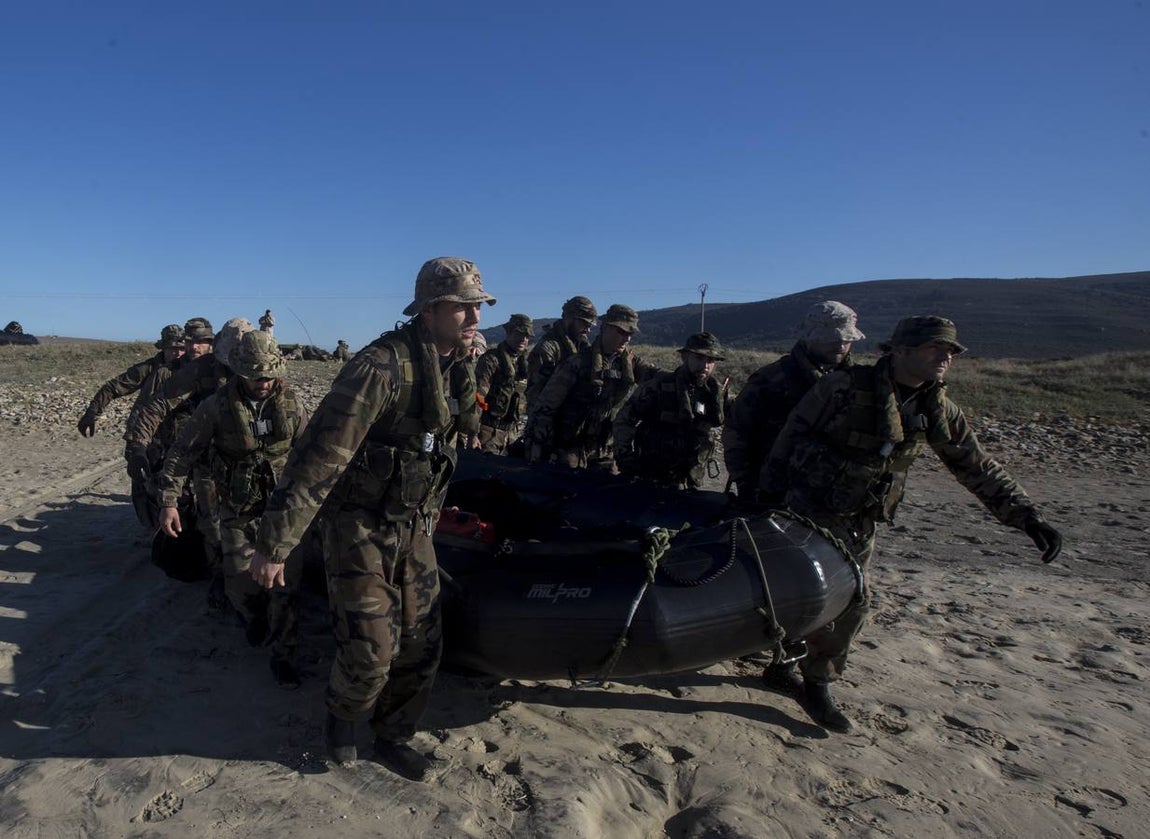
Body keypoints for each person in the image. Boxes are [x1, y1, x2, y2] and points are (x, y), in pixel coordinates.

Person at [248, 256, 495, 778]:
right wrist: (276, 545)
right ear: (429, 310)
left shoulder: (456, 364)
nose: (475, 316)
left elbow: (463, 431)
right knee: (371, 649)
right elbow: (318, 460)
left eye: (478, 306)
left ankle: (393, 735)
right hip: (358, 524)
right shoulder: (379, 368)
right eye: (463, 307)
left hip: (414, 524)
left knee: (423, 643)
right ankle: (342, 720)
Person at [762, 316, 1064, 733]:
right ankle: (783, 662)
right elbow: (790, 437)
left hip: (860, 518)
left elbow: (976, 465)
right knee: (791, 592)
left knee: (852, 601)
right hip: (806, 509)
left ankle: (817, 682)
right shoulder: (844, 387)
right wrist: (765, 498)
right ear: (901, 351)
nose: (946, 357)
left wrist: (1027, 517)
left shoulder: (936, 408)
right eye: (935, 348)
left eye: (951, 351)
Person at [157, 331, 309, 687]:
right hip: (238, 509)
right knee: (240, 581)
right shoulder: (216, 407)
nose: (263, 382)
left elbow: (313, 455)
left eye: (269, 375)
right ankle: (254, 616)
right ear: (240, 372)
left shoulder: (292, 405)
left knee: (285, 588)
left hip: (282, 512)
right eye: (255, 376)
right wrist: (168, 501)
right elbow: (182, 452)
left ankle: (284, 654)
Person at [125, 318, 254, 607]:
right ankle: (219, 573)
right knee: (212, 521)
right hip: (209, 453)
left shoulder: (263, 369)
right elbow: (159, 403)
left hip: (252, 456)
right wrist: (137, 444)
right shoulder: (203, 369)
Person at [723, 300, 864, 504]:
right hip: (776, 491)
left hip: (833, 497)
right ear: (809, 338)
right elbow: (736, 430)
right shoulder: (771, 380)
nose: (841, 346)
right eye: (832, 339)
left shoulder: (857, 383)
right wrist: (746, 481)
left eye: (847, 339)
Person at [529, 304, 659, 471]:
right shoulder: (578, 363)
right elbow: (546, 406)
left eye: (630, 334)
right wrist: (538, 446)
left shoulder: (630, 363)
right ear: (605, 327)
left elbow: (656, 375)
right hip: (569, 450)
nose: (627, 339)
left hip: (603, 450)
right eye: (622, 332)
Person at [613, 332, 726, 488]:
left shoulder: (713, 394)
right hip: (652, 476)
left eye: (711, 360)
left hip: (689, 479)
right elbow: (624, 420)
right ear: (685, 357)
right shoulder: (658, 386)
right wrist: (625, 457)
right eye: (699, 358)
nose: (705, 366)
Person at [77, 323, 186, 438]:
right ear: (164, 348)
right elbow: (112, 388)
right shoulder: (148, 368)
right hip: (144, 430)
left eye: (182, 349)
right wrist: (92, 413)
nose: (178, 353)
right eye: (173, 348)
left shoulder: (191, 370)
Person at [525, 295, 597, 411]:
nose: (588, 330)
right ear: (569, 319)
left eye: (590, 326)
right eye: (584, 323)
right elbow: (535, 394)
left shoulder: (583, 347)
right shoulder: (547, 348)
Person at [475, 314, 533, 454]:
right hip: (488, 432)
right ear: (509, 332)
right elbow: (478, 398)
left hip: (512, 435)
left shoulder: (525, 364)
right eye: (519, 334)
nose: (523, 339)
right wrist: (473, 433)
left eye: (527, 336)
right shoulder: (492, 359)